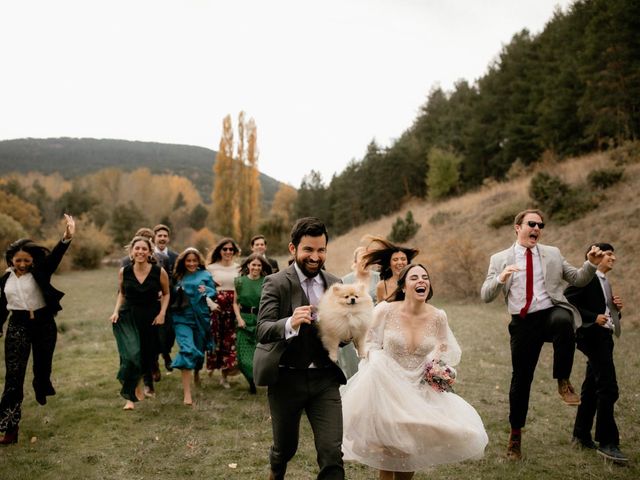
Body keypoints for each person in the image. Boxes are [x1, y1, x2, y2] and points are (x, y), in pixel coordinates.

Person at [341, 264, 488, 478]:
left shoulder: (438, 316)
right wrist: (376, 360)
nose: (421, 281)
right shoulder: (385, 309)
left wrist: (437, 367)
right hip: (386, 385)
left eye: (425, 277)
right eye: (415, 278)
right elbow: (366, 341)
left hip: (418, 386)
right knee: (390, 447)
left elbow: (443, 348)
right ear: (403, 286)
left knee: (409, 449)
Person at [480, 208, 604, 459]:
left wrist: (590, 263)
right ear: (518, 227)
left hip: (549, 314)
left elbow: (578, 279)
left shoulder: (553, 254)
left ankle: (563, 380)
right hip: (523, 323)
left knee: (563, 319)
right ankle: (515, 436)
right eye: (532, 224)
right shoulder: (500, 258)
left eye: (540, 225)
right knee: (521, 380)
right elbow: (485, 295)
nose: (537, 228)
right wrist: (500, 278)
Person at [253, 217, 346, 480]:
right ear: (293, 249)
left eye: (321, 250)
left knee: (331, 452)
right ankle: (276, 471)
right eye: (309, 250)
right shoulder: (276, 282)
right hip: (286, 379)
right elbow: (262, 328)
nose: (315, 257)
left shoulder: (335, 283)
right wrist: (290, 322)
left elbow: (342, 332)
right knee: (285, 449)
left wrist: (347, 333)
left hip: (324, 380)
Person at [0, 214, 75, 445]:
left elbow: (55, 257)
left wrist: (67, 237)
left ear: (32, 260)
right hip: (18, 326)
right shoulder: (4, 280)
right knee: (13, 378)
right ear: (11, 260)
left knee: (42, 368)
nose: (22, 264)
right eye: (17, 260)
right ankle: (10, 429)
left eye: (26, 260)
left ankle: (41, 385)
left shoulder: (40, 271)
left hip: (43, 325)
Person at [564, 243, 628, 464]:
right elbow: (565, 302)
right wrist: (592, 317)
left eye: (613, 253)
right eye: (609, 254)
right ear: (596, 257)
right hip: (591, 338)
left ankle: (581, 435)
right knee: (608, 387)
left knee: (591, 388)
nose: (613, 258)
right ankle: (608, 442)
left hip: (604, 339)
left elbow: (604, 311)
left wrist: (614, 309)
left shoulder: (604, 281)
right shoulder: (587, 278)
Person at [110, 235, 170, 410]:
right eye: (137, 248)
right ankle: (130, 397)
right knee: (130, 356)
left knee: (146, 355)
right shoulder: (124, 271)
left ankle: (145, 384)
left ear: (150, 252)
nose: (140, 252)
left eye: (144, 249)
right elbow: (121, 293)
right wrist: (115, 312)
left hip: (150, 318)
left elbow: (166, 293)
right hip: (128, 316)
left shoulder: (159, 272)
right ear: (131, 251)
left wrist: (162, 313)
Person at [170, 247, 217, 405]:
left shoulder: (205, 274)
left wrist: (206, 290)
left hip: (200, 317)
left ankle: (196, 372)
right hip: (181, 318)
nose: (191, 263)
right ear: (183, 262)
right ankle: (187, 394)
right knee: (187, 349)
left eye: (194, 261)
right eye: (188, 261)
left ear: (199, 261)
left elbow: (213, 291)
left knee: (199, 348)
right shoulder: (177, 276)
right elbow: (168, 294)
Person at [338, 246, 381, 379]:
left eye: (369, 258)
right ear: (355, 261)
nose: (366, 261)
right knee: (354, 367)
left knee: (376, 367)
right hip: (352, 331)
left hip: (377, 330)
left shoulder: (380, 278)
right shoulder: (344, 281)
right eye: (363, 257)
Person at [232, 253, 272, 394]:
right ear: (248, 265)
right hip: (244, 321)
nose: (256, 267)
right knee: (242, 360)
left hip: (260, 320)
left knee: (258, 356)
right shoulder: (239, 282)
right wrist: (239, 318)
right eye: (253, 264)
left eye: (259, 265)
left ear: (262, 267)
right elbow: (235, 303)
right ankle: (251, 381)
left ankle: (258, 379)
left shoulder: (266, 281)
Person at [205, 238, 241, 388]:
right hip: (216, 308)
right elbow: (203, 289)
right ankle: (213, 366)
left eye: (231, 249)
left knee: (230, 342)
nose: (228, 252)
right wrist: (210, 303)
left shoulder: (239, 268)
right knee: (217, 340)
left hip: (233, 308)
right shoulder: (211, 268)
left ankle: (225, 376)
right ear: (219, 250)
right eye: (225, 249)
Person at [153, 224, 179, 374]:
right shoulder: (149, 256)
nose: (162, 238)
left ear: (168, 238)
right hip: (152, 301)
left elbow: (179, 277)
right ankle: (155, 362)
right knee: (155, 333)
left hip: (171, 300)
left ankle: (166, 353)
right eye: (159, 236)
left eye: (165, 236)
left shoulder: (175, 256)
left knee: (169, 333)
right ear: (155, 238)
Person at [361, 236, 418, 303]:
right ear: (389, 264)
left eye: (403, 259)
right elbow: (379, 311)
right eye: (395, 259)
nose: (400, 262)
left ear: (408, 263)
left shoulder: (416, 281)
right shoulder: (381, 286)